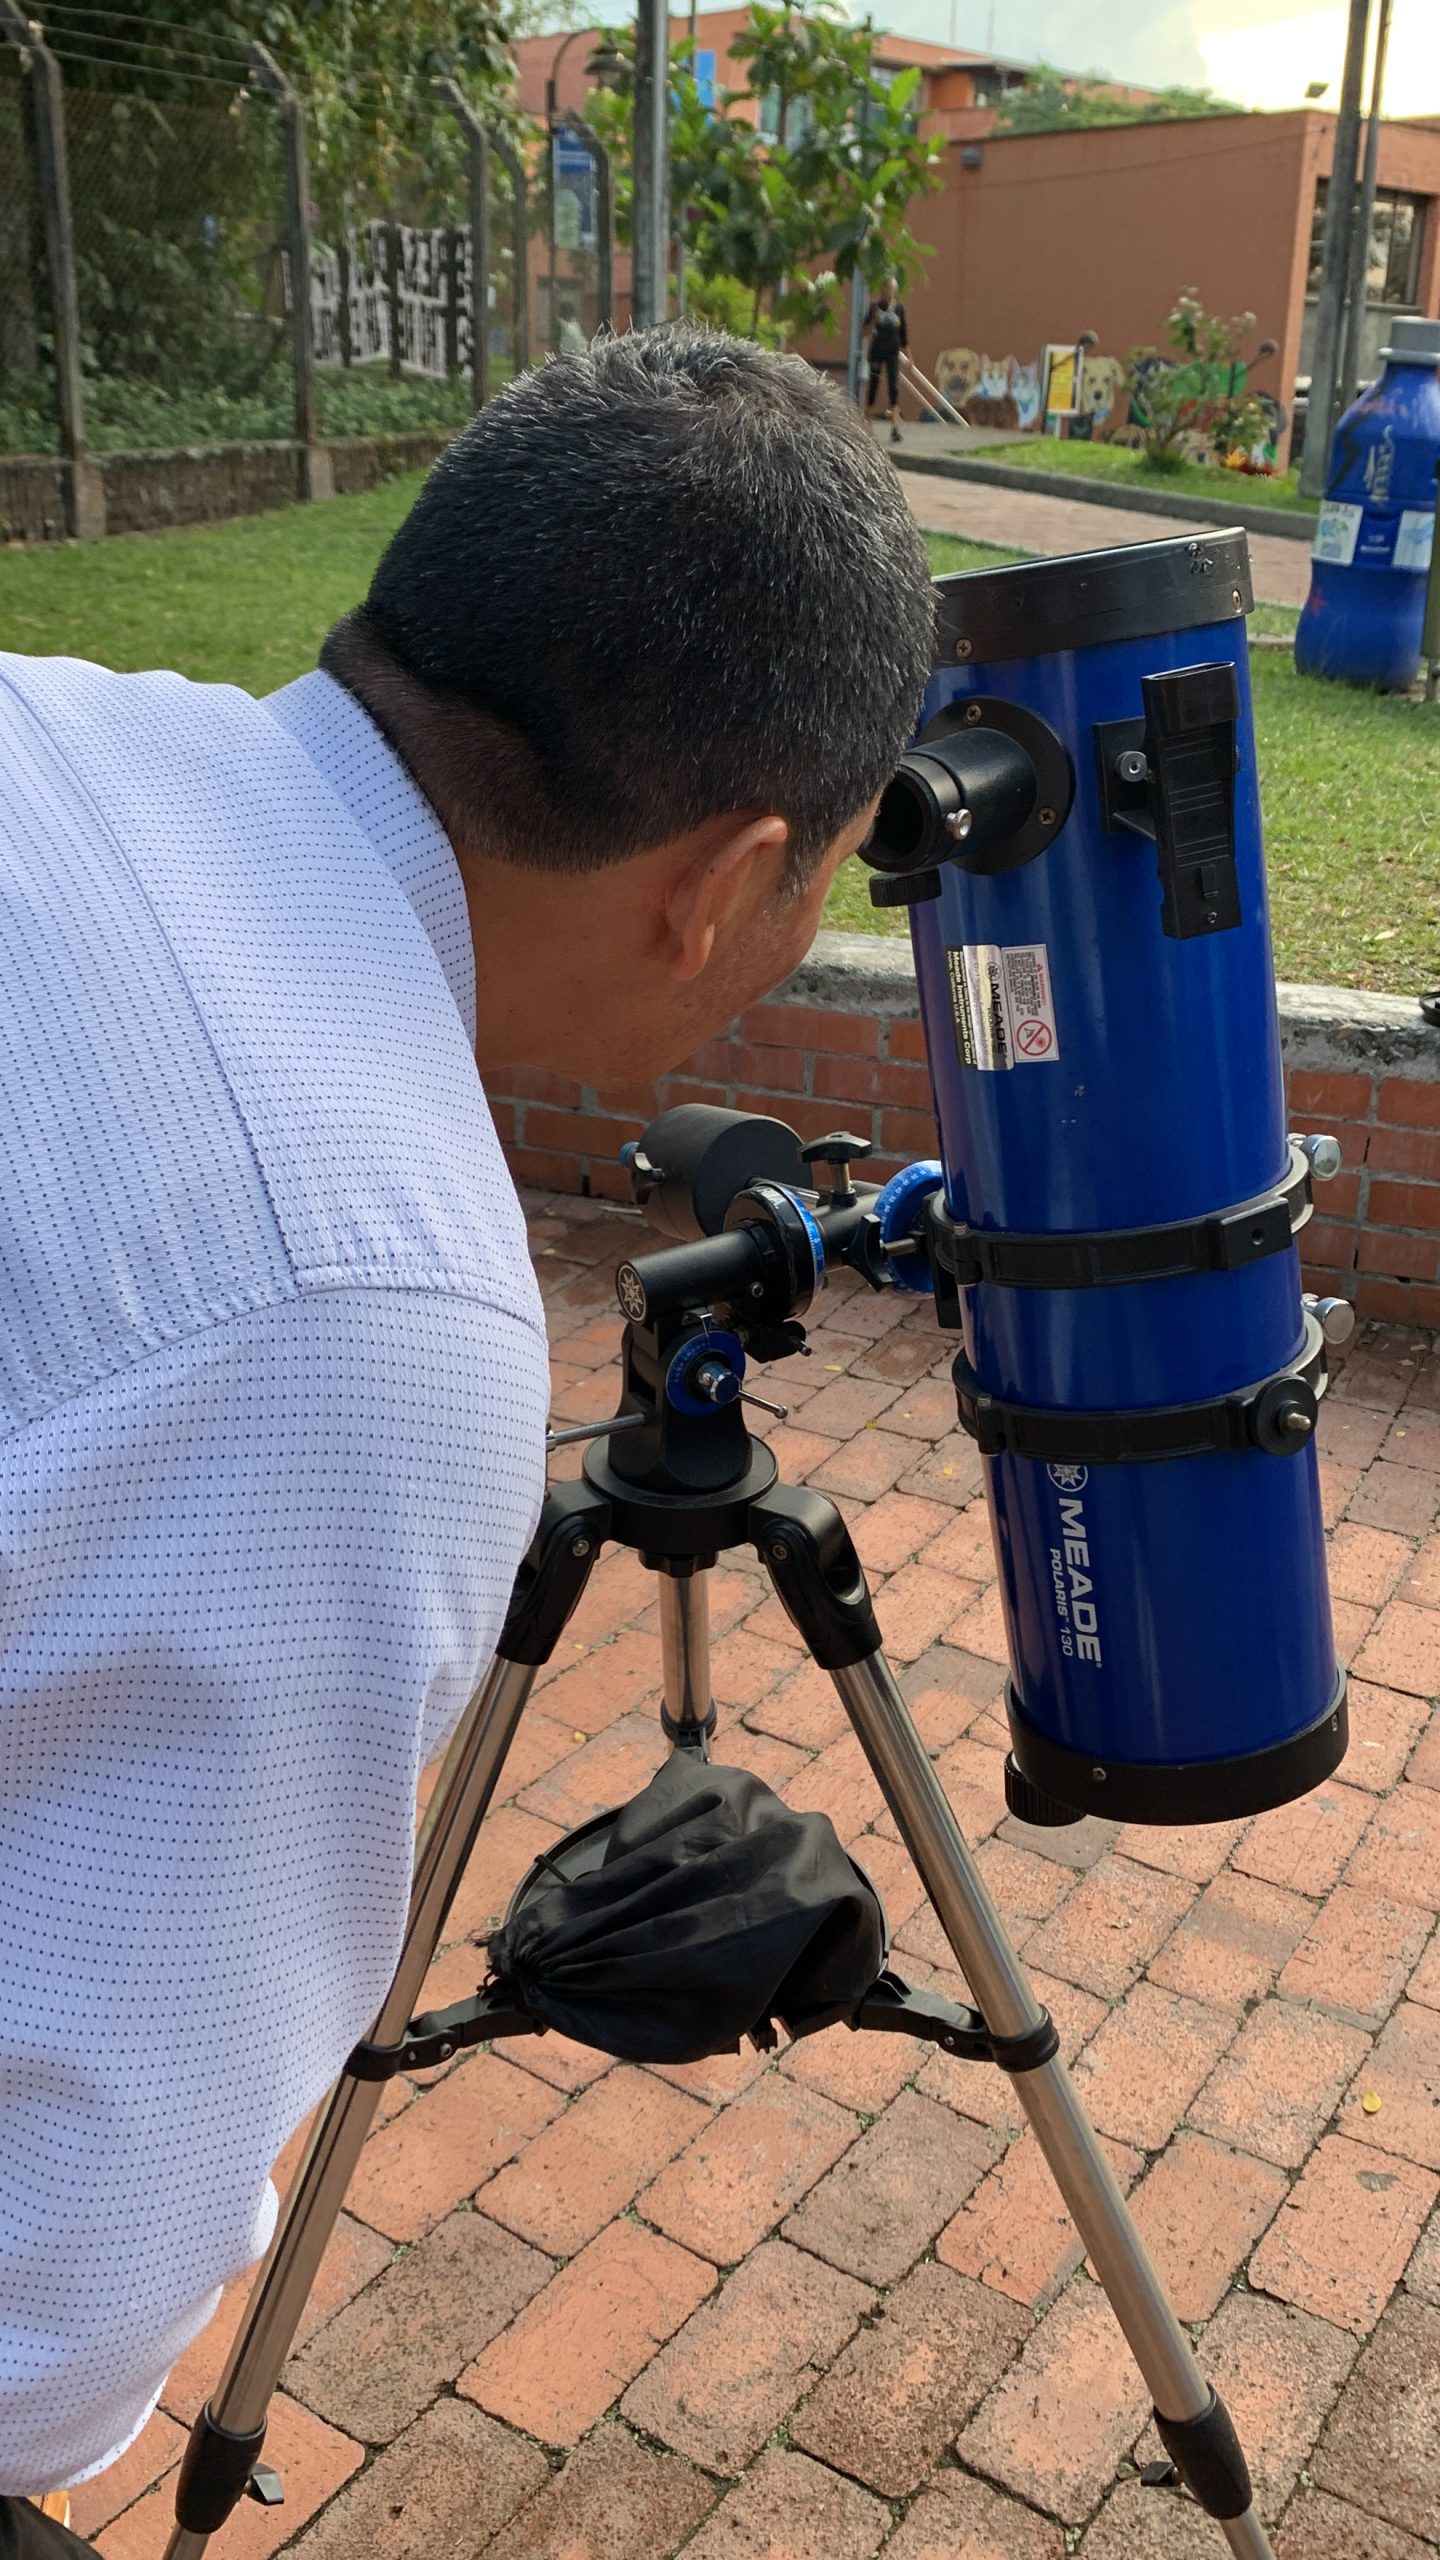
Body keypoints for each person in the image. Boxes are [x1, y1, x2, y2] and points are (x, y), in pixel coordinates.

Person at [0, 327, 934, 2543]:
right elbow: (49, 2290)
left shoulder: (53, 718)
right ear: (725, 878)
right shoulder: (364, 1305)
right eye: (821, 893)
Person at [864, 275, 908, 445]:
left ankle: (895, 429)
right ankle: (867, 426)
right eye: (887, 288)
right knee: (873, 387)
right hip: (877, 351)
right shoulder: (874, 307)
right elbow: (865, 331)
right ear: (882, 289)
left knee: (894, 389)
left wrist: (909, 356)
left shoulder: (899, 308)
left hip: (892, 352)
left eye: (893, 289)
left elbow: (903, 333)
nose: (890, 292)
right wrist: (874, 321)